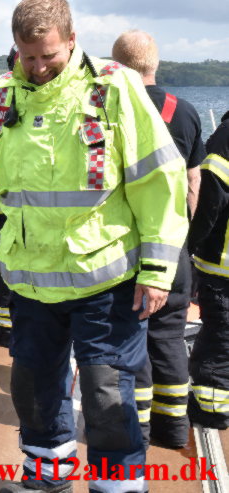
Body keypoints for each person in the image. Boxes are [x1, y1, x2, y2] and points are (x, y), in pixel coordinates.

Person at [0, 1, 188, 492]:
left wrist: (157, 270)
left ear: (72, 38)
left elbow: (158, 179)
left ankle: (117, 488)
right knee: (34, 388)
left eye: (48, 56)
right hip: (30, 279)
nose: (37, 68)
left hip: (106, 281)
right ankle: (46, 478)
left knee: (107, 396)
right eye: (27, 57)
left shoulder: (113, 87)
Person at [112, 29, 206, 449]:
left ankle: (138, 428)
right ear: (156, 64)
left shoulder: (111, 107)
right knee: (168, 338)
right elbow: (193, 181)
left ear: (115, 65)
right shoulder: (183, 112)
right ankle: (172, 431)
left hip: (125, 249)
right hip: (174, 248)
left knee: (130, 339)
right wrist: (182, 237)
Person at [187, 110, 229, 430]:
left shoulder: (225, 139)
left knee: (218, 338)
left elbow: (209, 198)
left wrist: (191, 243)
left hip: (222, 264)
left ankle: (211, 409)